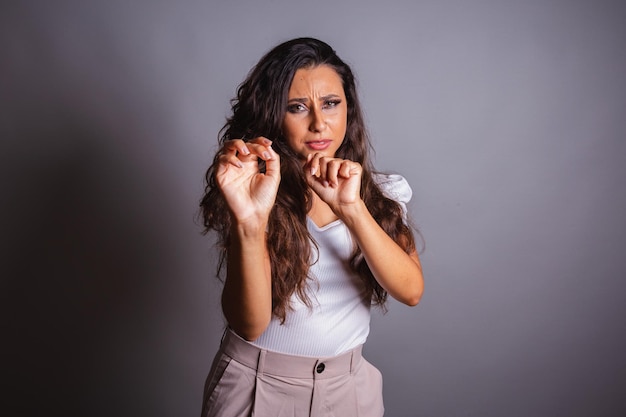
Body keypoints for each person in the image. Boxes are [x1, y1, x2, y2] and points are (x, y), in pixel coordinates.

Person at [199, 37, 424, 417]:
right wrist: (251, 223)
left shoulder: (380, 192)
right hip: (258, 385)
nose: (320, 123)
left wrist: (351, 208)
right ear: (273, 115)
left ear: (348, 110)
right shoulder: (255, 191)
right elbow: (249, 324)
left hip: (349, 389)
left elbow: (411, 290)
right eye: (297, 107)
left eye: (331, 104)